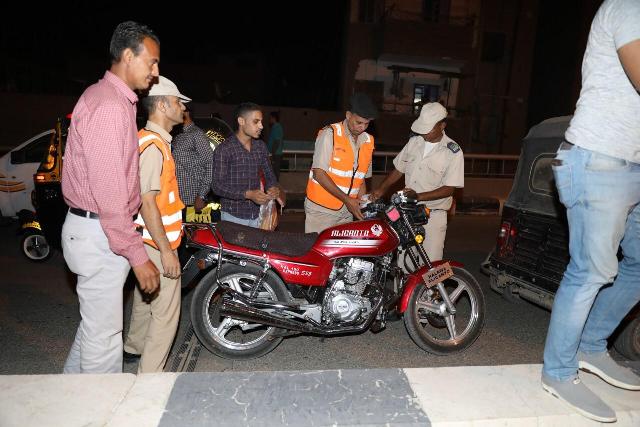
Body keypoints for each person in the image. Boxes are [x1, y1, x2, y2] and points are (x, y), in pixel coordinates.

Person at [540, 0, 640, 423]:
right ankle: (558, 371)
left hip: (633, 164)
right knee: (590, 271)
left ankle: (591, 345)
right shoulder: (629, 6)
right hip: (599, 159)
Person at [60, 21, 160, 374]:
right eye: (151, 62)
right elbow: (110, 195)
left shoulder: (111, 99)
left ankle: (68, 394)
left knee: (94, 331)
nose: (155, 72)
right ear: (128, 55)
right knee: (104, 342)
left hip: (95, 230)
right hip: (100, 232)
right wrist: (137, 255)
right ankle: (101, 404)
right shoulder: (109, 107)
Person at [122, 76, 189, 373]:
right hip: (156, 243)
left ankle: (134, 348)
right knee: (166, 314)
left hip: (144, 239)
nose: (182, 107)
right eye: (177, 102)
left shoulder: (148, 139)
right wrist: (167, 251)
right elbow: (148, 203)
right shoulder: (154, 146)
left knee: (145, 296)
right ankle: (149, 378)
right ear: (161, 105)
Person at [371, 102, 463, 266]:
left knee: (432, 267)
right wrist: (380, 190)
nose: (424, 133)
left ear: (442, 126)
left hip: (433, 217)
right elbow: (399, 169)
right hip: (407, 214)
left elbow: (449, 189)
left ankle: (432, 285)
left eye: (429, 129)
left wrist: (417, 196)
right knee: (405, 265)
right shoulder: (414, 142)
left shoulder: (452, 152)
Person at [304, 93, 377, 233]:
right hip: (322, 210)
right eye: (359, 122)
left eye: (367, 124)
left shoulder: (368, 141)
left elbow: (360, 179)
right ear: (348, 115)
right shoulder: (329, 134)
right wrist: (348, 200)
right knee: (319, 247)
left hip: (347, 211)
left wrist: (363, 204)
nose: (362, 127)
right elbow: (319, 173)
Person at [211, 102, 284, 227]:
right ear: (241, 121)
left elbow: (269, 175)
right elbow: (217, 186)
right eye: (256, 122)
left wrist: (272, 188)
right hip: (233, 216)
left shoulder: (260, 146)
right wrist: (248, 194)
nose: (261, 126)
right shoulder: (224, 149)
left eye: (261, 122)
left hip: (257, 215)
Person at [172, 106, 214, 215]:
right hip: (177, 199)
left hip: (192, 200)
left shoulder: (196, 134)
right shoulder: (178, 135)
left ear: (185, 112)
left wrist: (201, 196)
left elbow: (210, 163)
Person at [267, 111, 284, 179]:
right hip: (275, 153)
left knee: (274, 171)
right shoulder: (276, 127)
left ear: (273, 118)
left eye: (270, 118)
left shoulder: (277, 127)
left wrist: (272, 154)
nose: (269, 120)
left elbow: (277, 141)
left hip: (276, 153)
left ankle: (275, 184)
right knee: (274, 170)